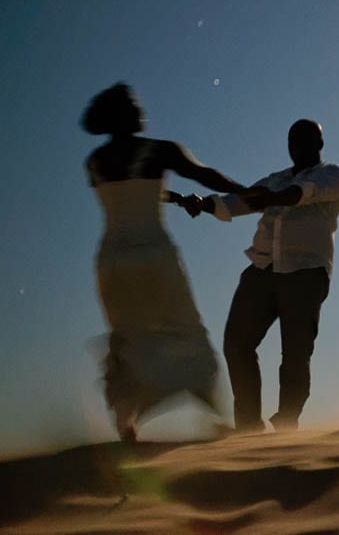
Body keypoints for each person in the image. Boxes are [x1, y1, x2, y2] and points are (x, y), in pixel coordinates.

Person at [82, 82, 244, 442]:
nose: (142, 111)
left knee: (128, 339)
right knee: (187, 331)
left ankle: (127, 422)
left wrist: (171, 197)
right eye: (135, 106)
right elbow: (205, 174)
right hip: (154, 254)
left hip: (110, 262)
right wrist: (247, 192)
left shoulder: (93, 163)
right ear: (122, 115)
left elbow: (131, 190)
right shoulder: (161, 150)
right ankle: (216, 416)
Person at [178, 119, 339, 431]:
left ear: (319, 144)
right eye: (292, 140)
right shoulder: (275, 179)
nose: (296, 145)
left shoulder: (333, 175)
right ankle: (248, 427)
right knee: (237, 344)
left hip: (306, 272)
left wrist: (269, 198)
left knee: (296, 352)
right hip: (262, 270)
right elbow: (240, 202)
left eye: (305, 139)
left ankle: (286, 423)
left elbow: (303, 193)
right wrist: (203, 204)